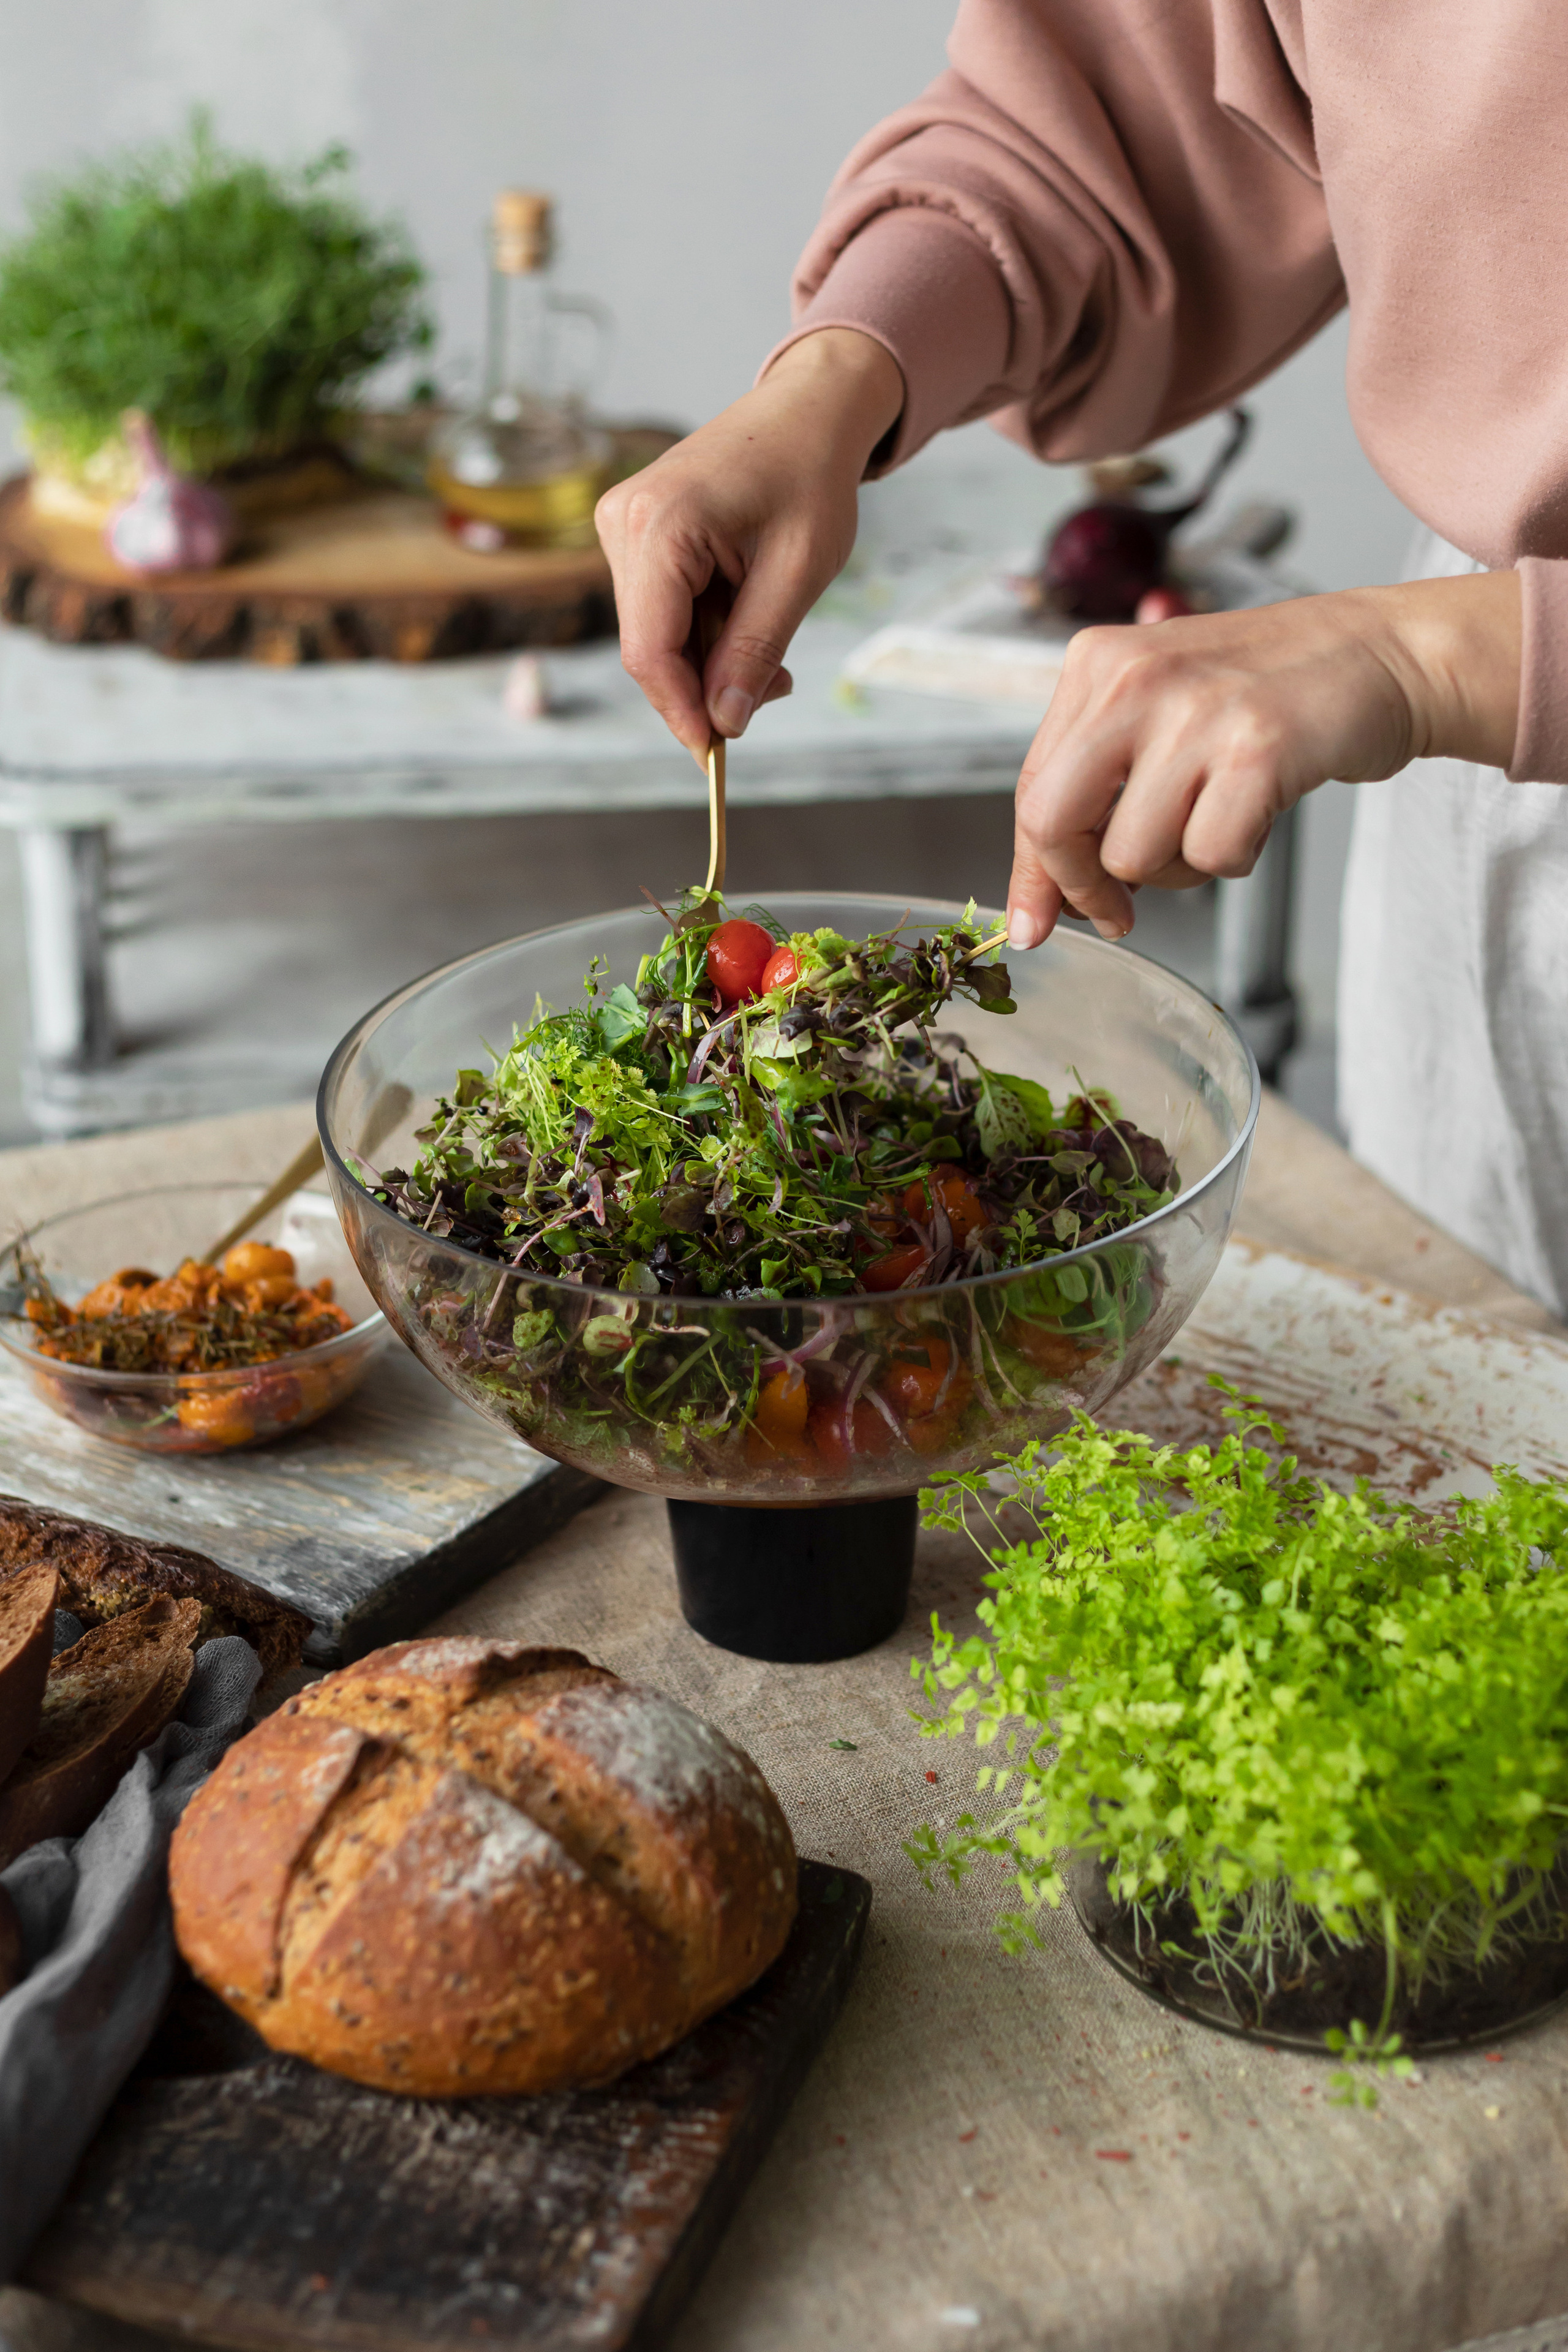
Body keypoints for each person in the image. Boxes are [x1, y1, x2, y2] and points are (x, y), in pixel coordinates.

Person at [595, 0, 1568, 1316]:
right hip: (1472, 772)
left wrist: (1426, 663)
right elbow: (1126, 91)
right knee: (1490, 1438)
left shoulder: (1414, 664)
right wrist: (832, 381)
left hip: (1463, 679)